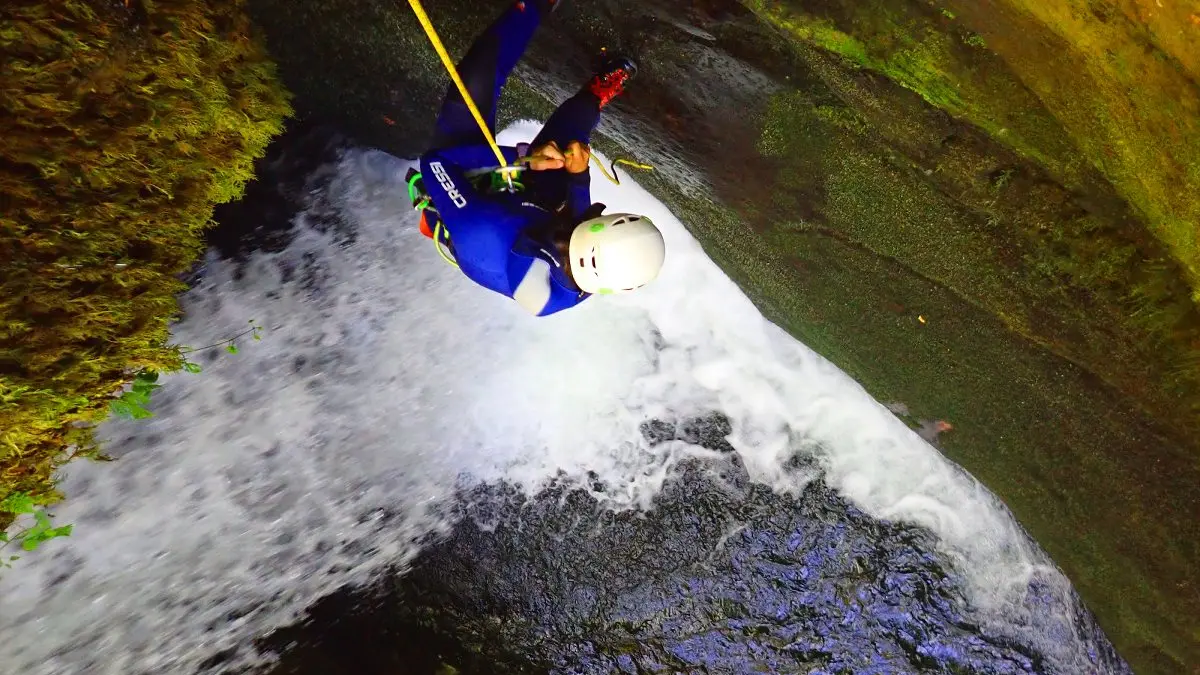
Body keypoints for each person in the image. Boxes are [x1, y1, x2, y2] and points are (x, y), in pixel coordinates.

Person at [415, 0, 666, 317]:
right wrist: (578, 176)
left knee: (473, 83)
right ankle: (595, 90)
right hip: (534, 210)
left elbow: (436, 163)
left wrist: (523, 159)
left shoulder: (482, 227)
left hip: (473, 199)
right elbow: (578, 221)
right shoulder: (598, 268)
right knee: (571, 135)